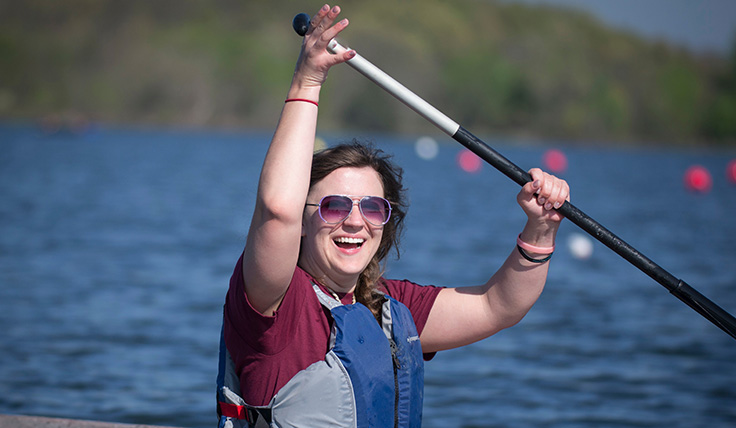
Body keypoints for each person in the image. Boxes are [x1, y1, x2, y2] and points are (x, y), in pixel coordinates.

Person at [216, 4, 570, 427]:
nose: (354, 220)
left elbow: (499, 306)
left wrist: (541, 229)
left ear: (385, 223)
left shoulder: (394, 306)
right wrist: (308, 80)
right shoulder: (272, 301)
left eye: (371, 207)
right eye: (334, 205)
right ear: (304, 221)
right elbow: (276, 211)